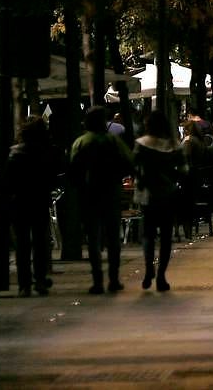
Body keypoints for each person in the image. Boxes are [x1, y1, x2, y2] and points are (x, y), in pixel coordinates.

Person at [68, 106, 134, 294]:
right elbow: (129, 162)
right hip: (111, 193)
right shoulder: (113, 142)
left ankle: (97, 280)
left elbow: (73, 170)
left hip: (89, 195)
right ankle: (113, 279)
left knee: (93, 238)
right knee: (113, 238)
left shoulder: (81, 142)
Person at [6, 116, 61, 297]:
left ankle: (24, 284)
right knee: (40, 243)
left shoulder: (14, 153)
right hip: (39, 201)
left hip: (19, 202)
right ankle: (39, 281)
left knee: (22, 245)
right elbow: (52, 178)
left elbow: (9, 180)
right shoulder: (46, 153)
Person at [131, 111, 185, 292]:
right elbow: (184, 169)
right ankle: (162, 275)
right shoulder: (174, 145)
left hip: (147, 196)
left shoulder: (140, 145)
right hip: (168, 195)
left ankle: (149, 269)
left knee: (148, 235)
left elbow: (133, 167)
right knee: (166, 238)